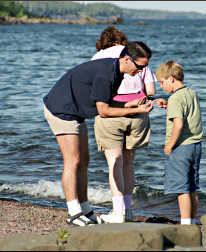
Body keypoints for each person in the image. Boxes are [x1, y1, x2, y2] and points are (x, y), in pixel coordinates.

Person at [43, 41, 153, 226]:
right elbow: (104, 112)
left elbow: (108, 104)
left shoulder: (118, 72)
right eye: (140, 66)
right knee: (73, 161)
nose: (142, 71)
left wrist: (132, 104)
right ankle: (73, 212)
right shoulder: (106, 75)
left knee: (84, 160)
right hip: (61, 109)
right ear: (127, 59)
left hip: (76, 112)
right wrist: (138, 112)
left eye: (145, 67)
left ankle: (85, 208)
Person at [91, 26, 156, 223]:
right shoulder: (136, 55)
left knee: (114, 161)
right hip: (138, 112)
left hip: (111, 112)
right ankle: (128, 211)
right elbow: (151, 90)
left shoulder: (98, 57)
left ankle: (117, 212)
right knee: (129, 163)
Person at [154, 61, 203, 225]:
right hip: (195, 145)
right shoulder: (190, 93)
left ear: (172, 79)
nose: (161, 86)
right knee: (192, 187)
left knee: (182, 189)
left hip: (180, 147)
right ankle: (193, 221)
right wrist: (168, 106)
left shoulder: (175, 98)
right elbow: (186, 114)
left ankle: (185, 224)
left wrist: (169, 145)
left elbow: (179, 124)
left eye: (162, 82)